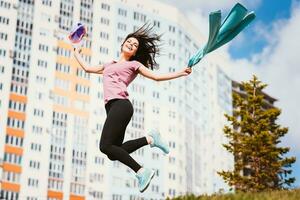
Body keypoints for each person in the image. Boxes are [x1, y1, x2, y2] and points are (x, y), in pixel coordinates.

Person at [73, 24, 192, 193]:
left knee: (104, 146)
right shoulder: (108, 65)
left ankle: (142, 171)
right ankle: (150, 139)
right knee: (113, 152)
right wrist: (76, 52)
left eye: (135, 45)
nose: (131, 44)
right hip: (111, 107)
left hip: (121, 105)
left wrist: (180, 72)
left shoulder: (134, 65)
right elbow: (87, 68)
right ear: (122, 44)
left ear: (135, 52)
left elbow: (156, 77)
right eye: (129, 42)